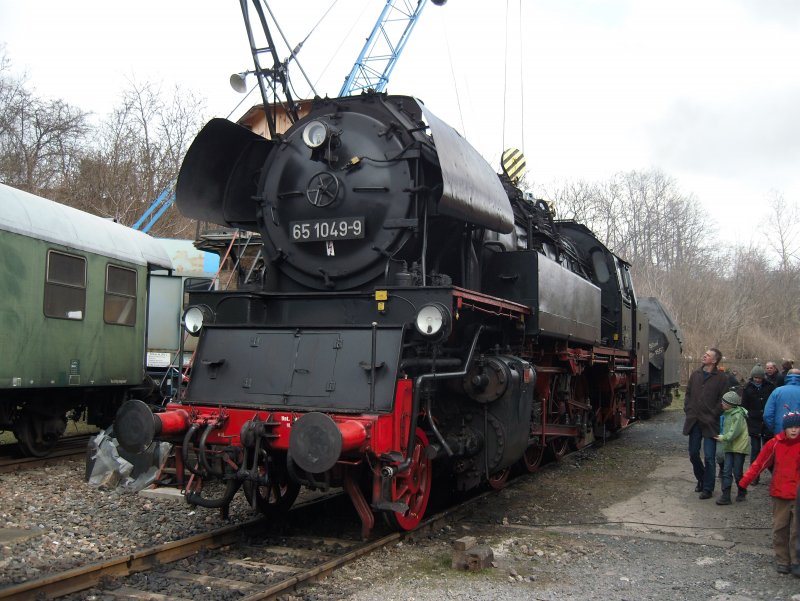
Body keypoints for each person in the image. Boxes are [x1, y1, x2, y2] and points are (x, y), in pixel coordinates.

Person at [739, 412, 800, 575]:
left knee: (797, 530)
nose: (794, 430)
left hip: (798, 495)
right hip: (780, 494)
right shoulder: (775, 444)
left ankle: (796, 561)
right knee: (780, 528)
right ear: (784, 428)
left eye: (797, 427)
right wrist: (745, 481)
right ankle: (782, 560)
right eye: (790, 427)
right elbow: (760, 463)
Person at [683, 348, 729, 499]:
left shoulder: (721, 378)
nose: (704, 356)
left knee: (709, 457)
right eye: (705, 354)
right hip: (694, 420)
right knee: (693, 454)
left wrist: (713, 415)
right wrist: (689, 410)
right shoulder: (695, 375)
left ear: (714, 360)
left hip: (710, 423)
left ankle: (708, 488)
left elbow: (723, 400)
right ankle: (702, 479)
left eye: (708, 355)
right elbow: (688, 393)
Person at [713, 390, 750, 504]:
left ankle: (742, 490)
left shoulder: (738, 415)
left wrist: (723, 438)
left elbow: (734, 432)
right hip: (729, 446)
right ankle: (726, 495)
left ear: (729, 404)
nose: (722, 404)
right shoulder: (727, 414)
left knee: (737, 471)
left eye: (723, 402)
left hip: (739, 447)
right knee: (727, 470)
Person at [741, 364, 776, 483]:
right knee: (755, 450)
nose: (757, 380)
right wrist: (748, 417)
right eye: (755, 377)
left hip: (766, 422)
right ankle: (754, 476)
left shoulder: (770, 387)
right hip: (754, 422)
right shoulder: (747, 388)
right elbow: (744, 406)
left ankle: (775, 474)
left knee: (768, 451)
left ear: (763, 377)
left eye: (759, 378)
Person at [763, 369, 800, 435]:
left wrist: (774, 429)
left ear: (787, 377)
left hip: (780, 431)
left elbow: (767, 415)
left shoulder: (777, 391)